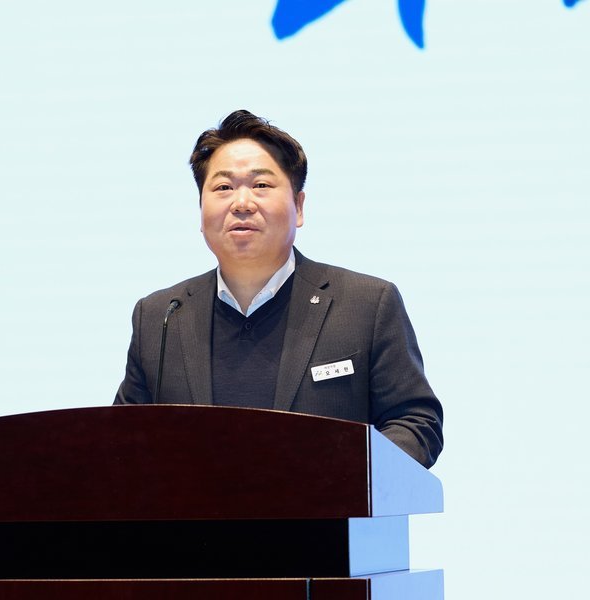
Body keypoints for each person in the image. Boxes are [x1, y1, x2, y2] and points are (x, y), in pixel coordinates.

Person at [113, 110, 443, 467]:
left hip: (326, 504)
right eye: (223, 188)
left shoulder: (366, 304)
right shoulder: (160, 317)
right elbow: (121, 442)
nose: (241, 203)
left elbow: (415, 423)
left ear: (298, 207)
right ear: (201, 210)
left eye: (261, 185)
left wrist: (344, 477)